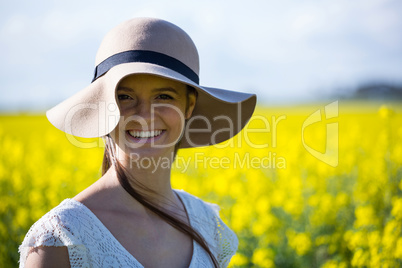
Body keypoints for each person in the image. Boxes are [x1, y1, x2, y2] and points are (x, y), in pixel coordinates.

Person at [19, 17, 256, 268]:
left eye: (164, 96)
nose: (143, 116)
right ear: (104, 106)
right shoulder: (60, 238)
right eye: (125, 97)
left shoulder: (208, 225)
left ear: (189, 106)